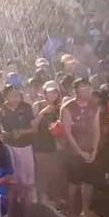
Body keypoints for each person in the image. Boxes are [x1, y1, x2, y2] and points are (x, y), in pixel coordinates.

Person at [60, 77, 101, 217]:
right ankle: (72, 214)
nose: (87, 91)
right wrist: (80, 152)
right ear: (76, 90)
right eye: (84, 88)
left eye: (89, 88)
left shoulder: (94, 106)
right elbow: (67, 132)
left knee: (88, 182)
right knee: (74, 184)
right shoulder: (68, 107)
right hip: (73, 152)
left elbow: (97, 129)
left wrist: (95, 149)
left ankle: (86, 211)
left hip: (90, 149)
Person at [0, 84, 35, 217]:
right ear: (5, 96)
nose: (16, 98)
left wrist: (21, 132)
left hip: (26, 147)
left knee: (27, 184)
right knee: (11, 183)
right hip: (9, 148)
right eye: (12, 95)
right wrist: (8, 134)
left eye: (18, 95)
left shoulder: (26, 107)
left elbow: (34, 128)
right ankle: (9, 216)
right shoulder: (0, 111)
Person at [32, 80, 64, 208]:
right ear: (44, 93)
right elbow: (32, 124)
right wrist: (43, 112)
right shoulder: (38, 105)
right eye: (49, 92)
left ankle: (56, 202)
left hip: (57, 146)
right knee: (42, 176)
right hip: (41, 145)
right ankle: (42, 204)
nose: (52, 95)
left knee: (57, 175)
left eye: (55, 92)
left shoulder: (61, 107)